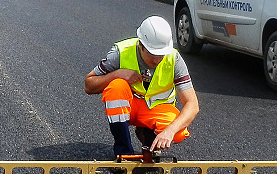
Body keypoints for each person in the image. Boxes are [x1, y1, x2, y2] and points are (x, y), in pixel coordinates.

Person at [85, 16, 200, 158]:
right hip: (128, 107)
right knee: (116, 87)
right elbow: (89, 85)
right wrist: (117, 74)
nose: (157, 60)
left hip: (153, 110)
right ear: (141, 45)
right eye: (152, 54)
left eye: (161, 55)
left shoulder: (174, 58)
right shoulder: (121, 53)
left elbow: (192, 104)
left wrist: (169, 131)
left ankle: (148, 134)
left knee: (179, 131)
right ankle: (123, 150)